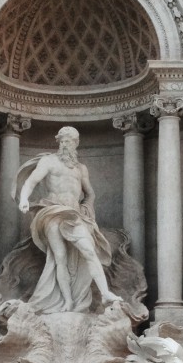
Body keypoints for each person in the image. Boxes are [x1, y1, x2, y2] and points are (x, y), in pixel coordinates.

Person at [15, 126, 122, 314]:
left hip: (74, 214)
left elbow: (90, 194)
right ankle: (67, 302)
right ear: (58, 142)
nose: (65, 144)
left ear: (76, 144)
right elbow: (30, 182)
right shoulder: (49, 161)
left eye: (70, 141)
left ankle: (105, 293)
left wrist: (87, 208)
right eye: (63, 141)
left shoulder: (81, 169)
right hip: (52, 211)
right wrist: (24, 199)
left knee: (89, 250)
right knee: (60, 257)